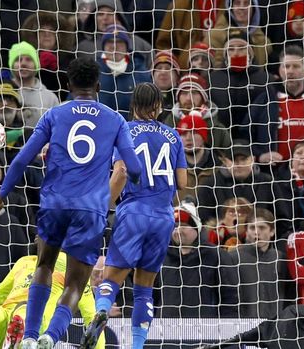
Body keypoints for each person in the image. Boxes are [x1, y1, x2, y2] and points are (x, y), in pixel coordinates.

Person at [0, 58, 142, 349]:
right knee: (75, 284)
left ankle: (30, 336)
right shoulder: (115, 120)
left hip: (54, 204)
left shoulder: (54, 115)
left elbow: (20, 160)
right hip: (90, 210)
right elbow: (133, 167)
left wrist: (0, 197)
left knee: (43, 266)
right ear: (97, 86)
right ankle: (51, 336)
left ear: (69, 86)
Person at [81, 83, 187, 349]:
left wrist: (103, 207)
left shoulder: (124, 131)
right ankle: (138, 345)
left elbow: (120, 173)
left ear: (133, 105)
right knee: (144, 288)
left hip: (133, 212)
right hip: (163, 216)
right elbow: (182, 183)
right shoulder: (174, 136)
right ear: (159, 106)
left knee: (111, 279)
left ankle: (102, 309)